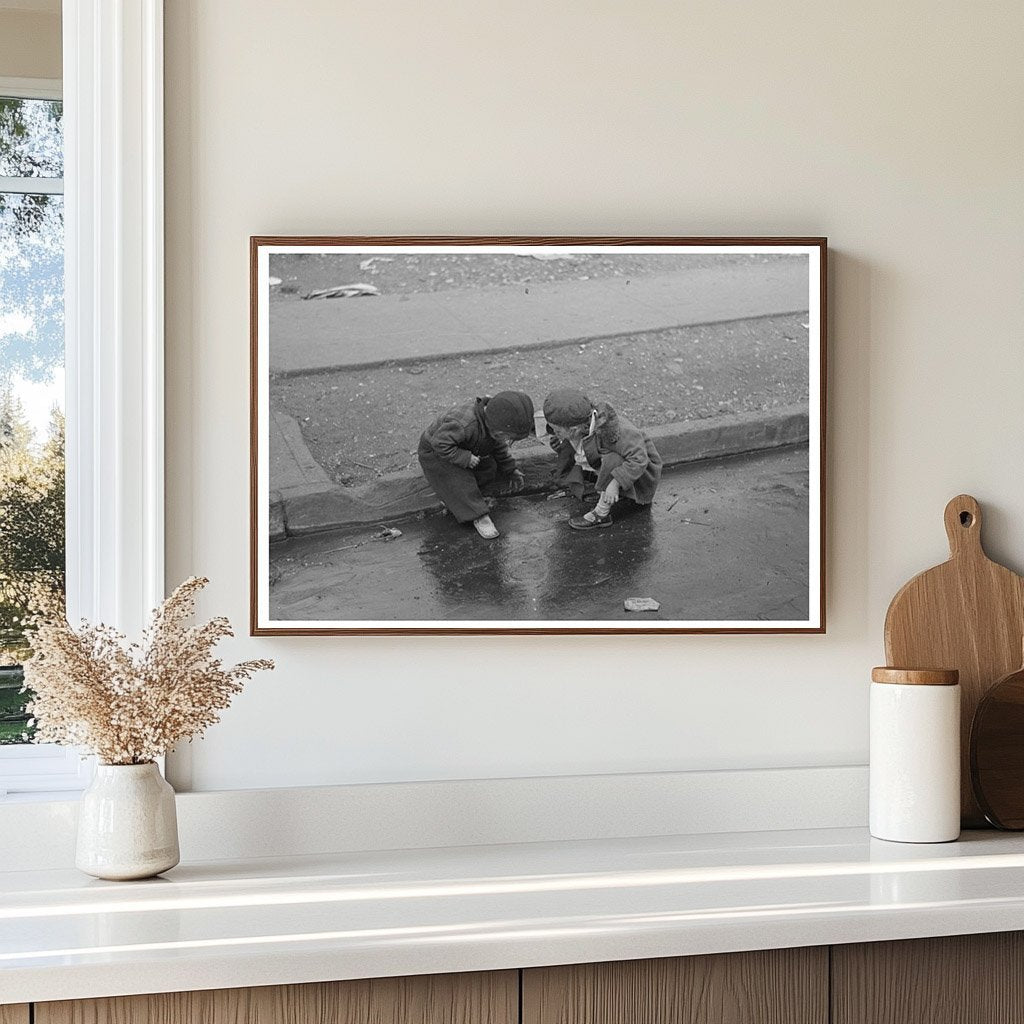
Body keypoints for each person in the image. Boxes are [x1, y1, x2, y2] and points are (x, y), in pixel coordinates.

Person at [418, 391, 535, 539]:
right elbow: (439, 443)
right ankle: (478, 515)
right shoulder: (464, 424)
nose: (505, 440)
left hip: (465, 447)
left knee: (490, 467)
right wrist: (464, 457)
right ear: (497, 429)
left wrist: (510, 469)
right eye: (505, 436)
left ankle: (466, 499)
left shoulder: (494, 424)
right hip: (436, 452)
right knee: (460, 480)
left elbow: (498, 447)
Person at [542, 388, 662, 531]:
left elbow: (639, 459)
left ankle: (601, 513)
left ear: (574, 429)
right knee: (568, 447)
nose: (554, 433)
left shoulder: (615, 432)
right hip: (612, 466)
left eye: (557, 430)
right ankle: (600, 489)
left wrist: (615, 483)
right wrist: (560, 445)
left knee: (613, 458)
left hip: (641, 475)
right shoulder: (582, 426)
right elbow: (582, 449)